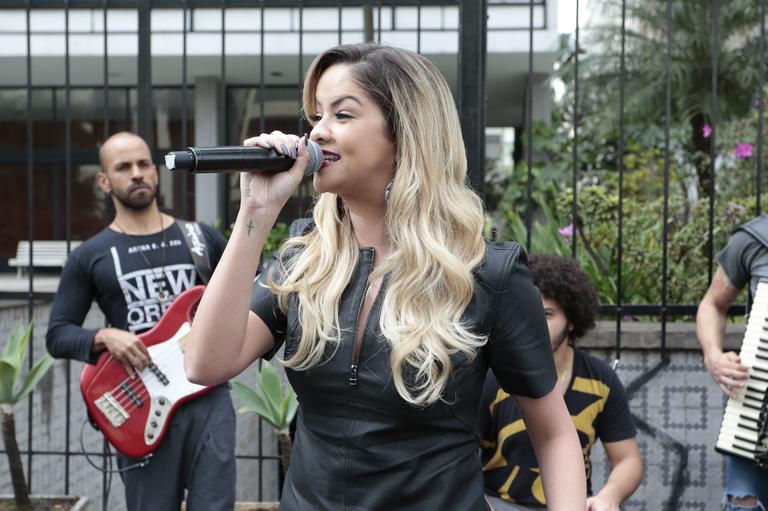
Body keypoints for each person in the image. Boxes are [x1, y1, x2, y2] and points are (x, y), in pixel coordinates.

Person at [183, 42, 586, 510]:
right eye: (316, 117)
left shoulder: (485, 273)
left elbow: (555, 435)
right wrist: (255, 211)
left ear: (404, 133)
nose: (317, 135)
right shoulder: (304, 261)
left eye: (343, 115)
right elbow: (204, 364)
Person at [45, 132, 235, 511]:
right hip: (141, 404)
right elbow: (57, 334)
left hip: (207, 396)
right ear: (104, 181)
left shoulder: (201, 239)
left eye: (144, 164)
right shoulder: (90, 255)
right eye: (123, 167)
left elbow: (248, 299)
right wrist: (105, 336)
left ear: (156, 172)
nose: (137, 174)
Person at [479, 254, 643, 511]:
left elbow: (628, 459)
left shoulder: (600, 380)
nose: (534, 323)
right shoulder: (492, 378)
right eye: (528, 313)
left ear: (572, 320)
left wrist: (609, 496)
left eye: (546, 314)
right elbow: (460, 455)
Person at [696, 215, 768, 511]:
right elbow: (712, 304)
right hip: (754, 415)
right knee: (745, 506)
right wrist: (713, 355)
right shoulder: (756, 238)